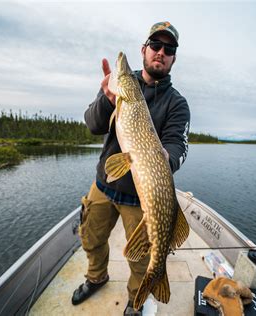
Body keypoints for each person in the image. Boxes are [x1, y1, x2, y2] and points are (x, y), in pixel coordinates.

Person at [72, 21, 190, 315]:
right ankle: (96, 277)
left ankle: (137, 298)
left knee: (142, 259)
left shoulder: (178, 104)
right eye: (155, 46)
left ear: (173, 57)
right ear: (145, 50)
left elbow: (178, 145)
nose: (161, 52)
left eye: (168, 49)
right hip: (104, 185)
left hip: (142, 194)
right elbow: (93, 125)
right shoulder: (122, 88)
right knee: (91, 237)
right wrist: (108, 101)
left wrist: (166, 157)